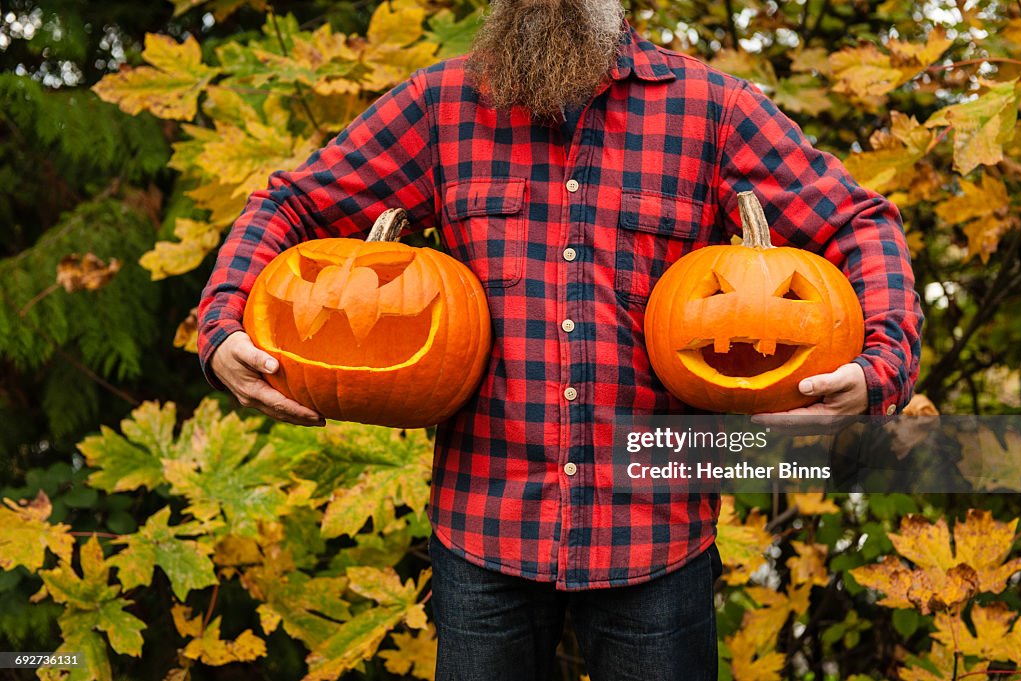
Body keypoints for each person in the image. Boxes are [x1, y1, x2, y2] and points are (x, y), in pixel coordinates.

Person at [197, 1, 923, 679]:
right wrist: (224, 320)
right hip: (484, 534)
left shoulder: (712, 110)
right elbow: (291, 200)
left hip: (655, 541)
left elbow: (859, 220)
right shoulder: (439, 106)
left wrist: (881, 366)